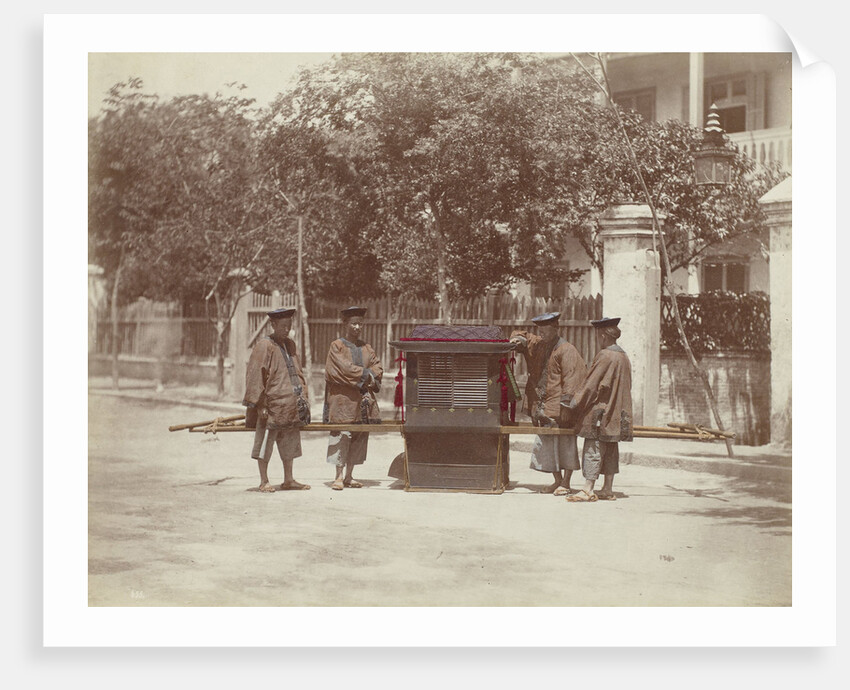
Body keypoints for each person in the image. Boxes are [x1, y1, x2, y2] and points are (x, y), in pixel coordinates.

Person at [510, 312, 587, 496]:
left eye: (546, 330)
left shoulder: (566, 350)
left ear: (556, 329)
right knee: (547, 444)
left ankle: (566, 482)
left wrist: (567, 407)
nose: (542, 333)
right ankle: (557, 481)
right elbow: (522, 336)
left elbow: (573, 379)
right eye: (540, 330)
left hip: (559, 407)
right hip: (541, 406)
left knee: (566, 444)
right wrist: (517, 340)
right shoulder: (539, 345)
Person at [242, 307, 311, 493]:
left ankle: (289, 479)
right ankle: (264, 481)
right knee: (265, 442)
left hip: (290, 405)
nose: (286, 329)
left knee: (290, 443)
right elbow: (256, 375)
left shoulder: (290, 345)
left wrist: (302, 396)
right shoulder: (264, 345)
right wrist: (260, 404)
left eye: (289, 325)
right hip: (271, 406)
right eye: (282, 326)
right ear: (272, 325)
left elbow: (298, 372)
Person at [566, 317, 633, 503]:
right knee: (611, 447)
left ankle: (588, 489)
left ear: (603, 336)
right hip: (617, 411)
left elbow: (590, 385)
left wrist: (575, 403)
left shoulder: (605, 355)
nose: (597, 338)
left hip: (601, 411)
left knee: (593, 447)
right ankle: (607, 489)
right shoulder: (624, 356)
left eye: (598, 335)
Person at [324, 306, 383, 491]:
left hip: (362, 401)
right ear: (345, 324)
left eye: (360, 324)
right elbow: (341, 370)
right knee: (342, 434)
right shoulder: (337, 346)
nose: (357, 327)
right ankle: (338, 476)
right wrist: (366, 375)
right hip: (343, 400)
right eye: (354, 323)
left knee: (359, 435)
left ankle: (349, 476)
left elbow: (378, 367)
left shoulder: (366, 347)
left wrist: (369, 375)